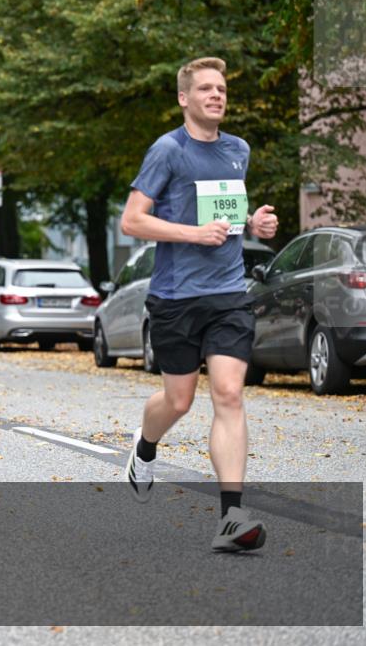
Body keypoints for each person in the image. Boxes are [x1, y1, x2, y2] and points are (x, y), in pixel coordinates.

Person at [119, 57, 278, 552]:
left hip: (228, 294)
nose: (216, 95)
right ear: (184, 98)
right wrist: (193, 234)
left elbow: (223, 211)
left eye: (222, 89)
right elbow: (132, 221)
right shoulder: (168, 150)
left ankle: (231, 519)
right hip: (176, 296)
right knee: (179, 401)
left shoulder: (238, 150)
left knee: (229, 393)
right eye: (206, 88)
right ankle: (145, 447)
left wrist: (252, 224)